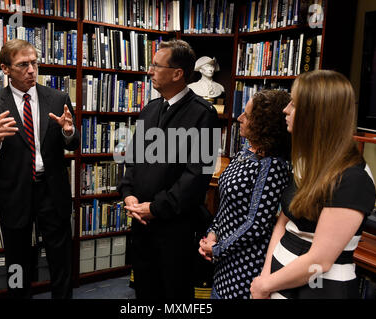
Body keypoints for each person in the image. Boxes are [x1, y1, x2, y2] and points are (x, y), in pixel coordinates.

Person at [250, 70, 376, 299]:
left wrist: (265, 286)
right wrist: (265, 278)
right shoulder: (304, 163)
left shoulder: (353, 179)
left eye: (295, 105)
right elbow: (283, 224)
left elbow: (320, 260)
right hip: (276, 281)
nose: (285, 110)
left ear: (317, 116)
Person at [0, 39, 79, 299]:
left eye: (34, 63)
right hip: (16, 193)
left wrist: (69, 132)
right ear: (5, 69)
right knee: (17, 262)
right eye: (23, 65)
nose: (32, 70)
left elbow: (73, 143)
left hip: (52, 191)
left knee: (60, 259)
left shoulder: (58, 98)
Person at [118, 39, 219, 299]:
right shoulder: (150, 110)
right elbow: (134, 160)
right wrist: (128, 194)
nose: (150, 71)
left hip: (175, 229)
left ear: (177, 73)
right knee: (144, 288)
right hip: (141, 223)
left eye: (156, 66)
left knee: (173, 292)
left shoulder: (204, 114)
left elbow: (197, 175)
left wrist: (155, 208)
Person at [198, 90, 292, 299]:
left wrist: (219, 248)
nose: (239, 118)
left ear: (265, 125)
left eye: (247, 116)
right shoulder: (246, 151)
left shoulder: (272, 165)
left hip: (246, 265)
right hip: (223, 259)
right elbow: (225, 205)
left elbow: (256, 224)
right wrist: (212, 233)